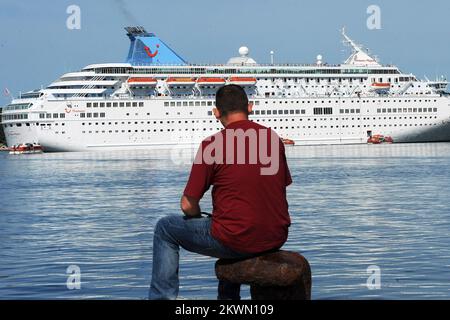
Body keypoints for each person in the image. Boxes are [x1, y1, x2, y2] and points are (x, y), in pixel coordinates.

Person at [149, 84, 292, 300]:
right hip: (275, 236)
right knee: (228, 224)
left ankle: (161, 298)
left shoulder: (212, 145)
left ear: (216, 113)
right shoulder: (273, 140)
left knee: (165, 228)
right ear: (250, 107)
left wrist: (195, 215)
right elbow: (277, 188)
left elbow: (187, 205)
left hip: (235, 238)